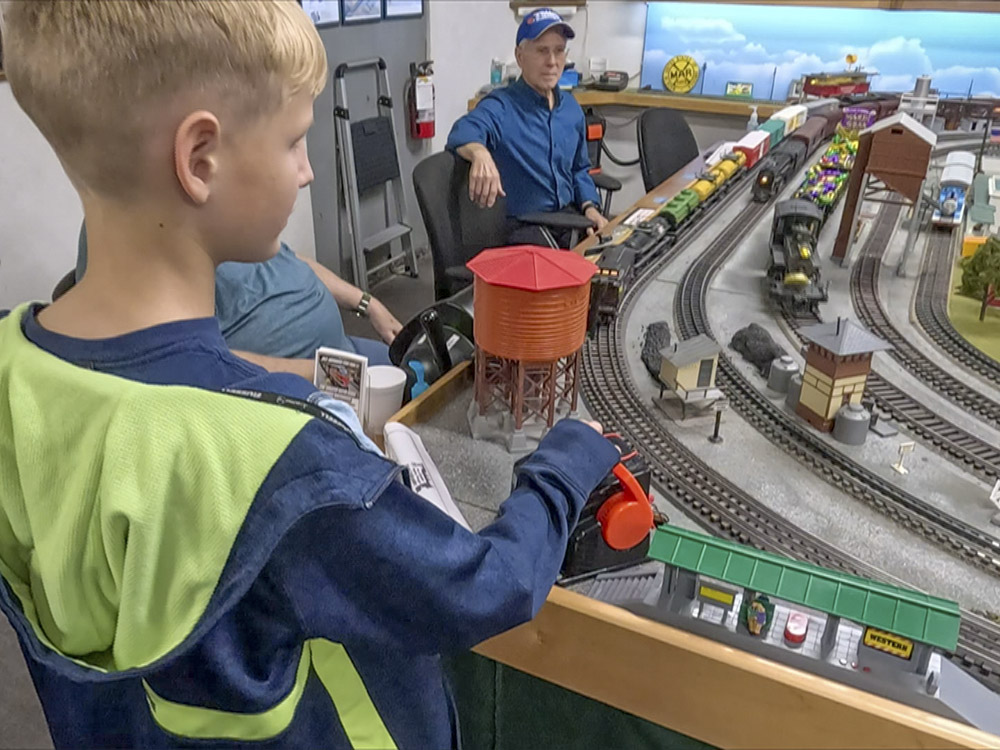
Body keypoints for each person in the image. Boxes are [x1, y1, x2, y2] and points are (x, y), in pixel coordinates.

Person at [0, 3, 621, 749]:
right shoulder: (282, 461)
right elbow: (490, 586)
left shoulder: (14, 366)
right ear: (201, 159)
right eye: (295, 140)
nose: (307, 168)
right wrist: (569, 460)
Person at [75, 225, 400, 373]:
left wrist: (369, 304)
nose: (305, 174)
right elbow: (184, 364)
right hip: (314, 383)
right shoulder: (145, 234)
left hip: (343, 353)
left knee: (431, 369)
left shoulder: (232, 212)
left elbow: (290, 259)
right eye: (289, 145)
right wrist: (333, 379)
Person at [446, 7, 609, 248]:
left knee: (614, 258)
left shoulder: (571, 109)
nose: (552, 62)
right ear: (520, 56)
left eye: (559, 51)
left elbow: (578, 170)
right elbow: (462, 130)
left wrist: (589, 206)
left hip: (568, 220)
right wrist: (479, 153)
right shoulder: (502, 105)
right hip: (523, 230)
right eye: (542, 51)